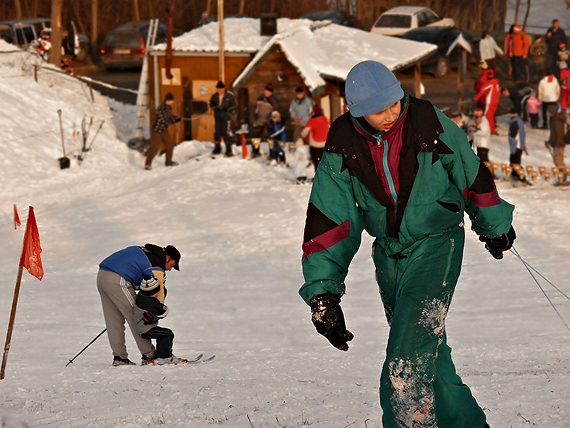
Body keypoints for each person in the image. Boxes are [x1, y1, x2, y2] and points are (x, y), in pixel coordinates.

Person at [299, 60, 514, 428]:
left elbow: (469, 169)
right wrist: (324, 294)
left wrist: (494, 224)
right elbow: (330, 218)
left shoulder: (427, 122)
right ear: (356, 112)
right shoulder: (342, 144)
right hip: (389, 255)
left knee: (407, 359)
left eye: (394, 103)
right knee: (431, 357)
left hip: (437, 244)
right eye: (378, 109)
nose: (390, 113)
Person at [97, 244, 181, 366]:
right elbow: (159, 291)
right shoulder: (157, 264)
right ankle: (149, 355)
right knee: (137, 318)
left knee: (113, 321)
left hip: (102, 276)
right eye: (172, 265)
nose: (169, 269)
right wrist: (157, 312)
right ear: (167, 257)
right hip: (118, 280)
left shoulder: (148, 252)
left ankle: (120, 357)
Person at [133, 275, 187, 365]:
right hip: (145, 329)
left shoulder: (141, 297)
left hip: (141, 327)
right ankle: (164, 357)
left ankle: (162, 355)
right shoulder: (150, 302)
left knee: (162, 335)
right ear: (152, 292)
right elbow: (162, 312)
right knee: (167, 334)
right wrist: (165, 308)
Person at [145, 92, 181, 170]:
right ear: (167, 101)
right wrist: (174, 121)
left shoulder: (168, 107)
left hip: (164, 131)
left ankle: (168, 161)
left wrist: (176, 118)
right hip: (157, 131)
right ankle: (147, 164)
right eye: (172, 100)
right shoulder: (161, 109)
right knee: (155, 148)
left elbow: (170, 117)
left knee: (170, 144)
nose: (173, 102)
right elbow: (165, 120)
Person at [250, 83, 279, 158]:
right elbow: (256, 109)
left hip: (269, 122)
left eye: (268, 91)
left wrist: (270, 118)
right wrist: (255, 116)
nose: (267, 92)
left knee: (271, 139)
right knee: (255, 136)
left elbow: (276, 112)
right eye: (266, 91)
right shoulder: (260, 98)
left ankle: (273, 154)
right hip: (259, 121)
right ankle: (255, 152)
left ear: (271, 92)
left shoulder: (274, 101)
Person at [209, 80, 237, 157]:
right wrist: (214, 107)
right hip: (217, 116)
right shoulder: (214, 96)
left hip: (226, 116)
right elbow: (211, 103)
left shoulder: (230, 96)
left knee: (226, 132)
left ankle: (228, 149)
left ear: (224, 89)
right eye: (218, 89)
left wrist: (228, 110)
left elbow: (234, 105)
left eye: (221, 89)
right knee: (217, 131)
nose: (219, 91)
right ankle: (217, 147)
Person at [300, 104, 330, 170]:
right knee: (324, 162)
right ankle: (324, 177)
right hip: (324, 143)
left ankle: (317, 177)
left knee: (316, 162)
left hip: (315, 144)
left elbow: (304, 132)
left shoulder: (312, 120)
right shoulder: (325, 119)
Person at [473, 69, 500, 134]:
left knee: (487, 115)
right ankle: (492, 127)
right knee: (491, 115)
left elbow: (481, 91)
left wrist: (475, 98)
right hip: (495, 101)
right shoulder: (496, 82)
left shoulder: (487, 83)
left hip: (488, 101)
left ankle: (491, 129)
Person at [507, 108, 528, 183]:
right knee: (515, 162)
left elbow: (513, 136)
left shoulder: (515, 122)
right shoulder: (520, 122)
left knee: (515, 163)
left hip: (516, 146)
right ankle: (514, 175)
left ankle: (521, 178)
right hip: (520, 145)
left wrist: (513, 149)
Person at [545, 104, 568, 172]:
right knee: (556, 161)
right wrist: (549, 142)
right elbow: (553, 134)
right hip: (556, 144)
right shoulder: (555, 119)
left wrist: (556, 145)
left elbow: (559, 134)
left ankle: (564, 176)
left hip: (559, 144)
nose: (549, 114)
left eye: (549, 112)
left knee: (559, 161)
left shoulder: (557, 121)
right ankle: (562, 175)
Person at [557, 42, 570, 110]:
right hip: (565, 74)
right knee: (565, 94)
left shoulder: (567, 53)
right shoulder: (559, 54)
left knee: (565, 94)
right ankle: (565, 106)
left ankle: (564, 106)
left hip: (565, 74)